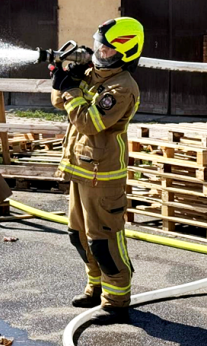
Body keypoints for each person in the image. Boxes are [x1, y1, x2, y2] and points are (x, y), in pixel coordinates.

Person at [51, 17, 143, 324]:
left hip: (104, 176)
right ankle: (96, 286)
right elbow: (60, 102)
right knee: (78, 236)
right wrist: (63, 79)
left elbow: (88, 122)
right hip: (81, 169)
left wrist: (71, 90)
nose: (99, 53)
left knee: (103, 240)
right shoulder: (95, 74)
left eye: (107, 50)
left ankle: (116, 300)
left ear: (126, 53)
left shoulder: (122, 87)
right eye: (98, 47)